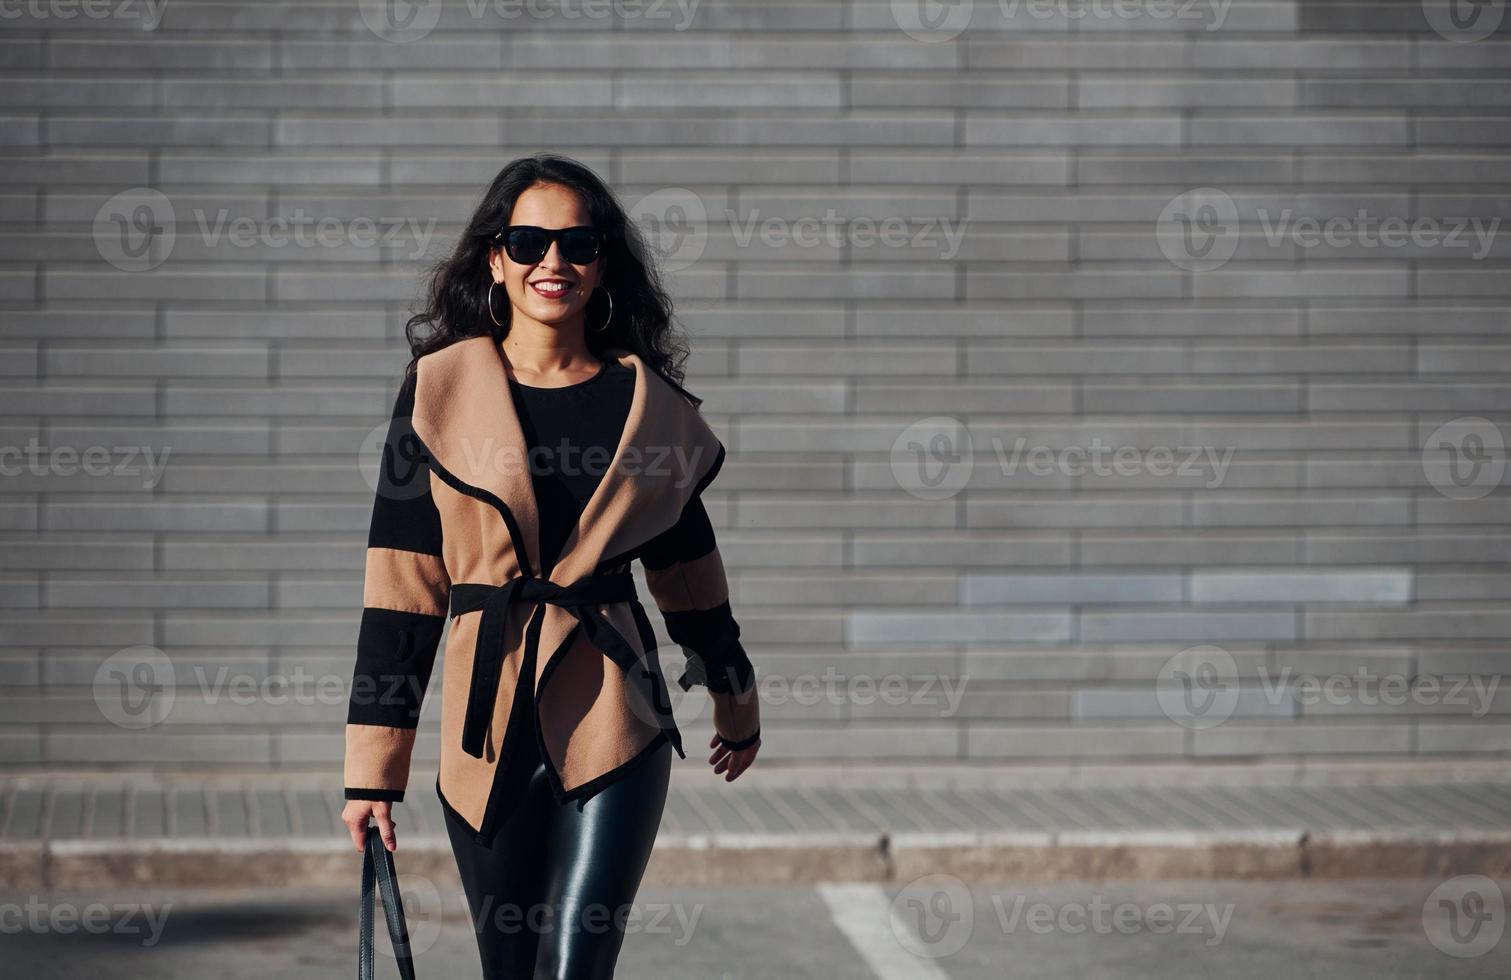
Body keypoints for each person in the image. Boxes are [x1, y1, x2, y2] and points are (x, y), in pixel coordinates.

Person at [339, 154, 762, 979]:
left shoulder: (650, 406)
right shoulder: (439, 389)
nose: (552, 263)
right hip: (485, 725)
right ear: (495, 259)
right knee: (510, 965)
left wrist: (733, 697)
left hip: (615, 715)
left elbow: (690, 574)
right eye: (529, 242)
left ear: (604, 263)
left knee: (576, 962)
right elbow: (402, 587)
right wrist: (372, 775)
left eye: (577, 243)